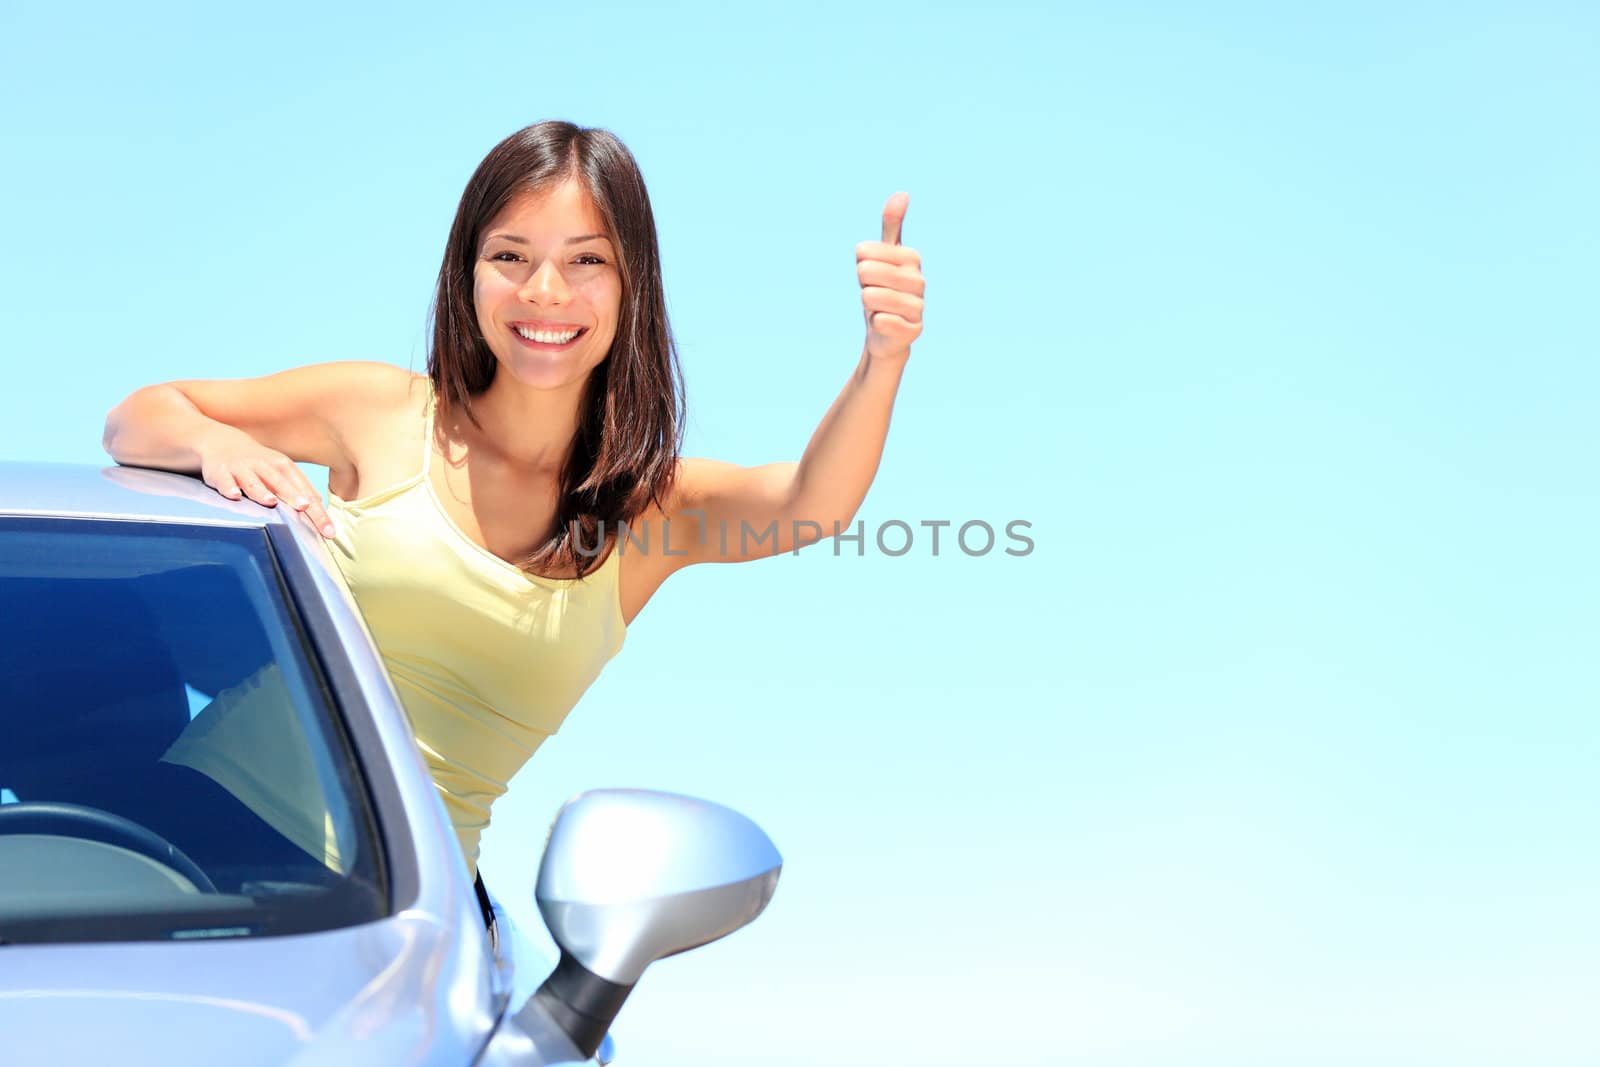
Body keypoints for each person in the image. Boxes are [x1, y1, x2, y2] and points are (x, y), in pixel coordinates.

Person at [102, 120, 925, 924]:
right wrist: (211, 442)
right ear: (469, 272)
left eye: (585, 261)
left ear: (632, 282)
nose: (544, 292)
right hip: (180, 850)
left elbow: (811, 506)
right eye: (510, 256)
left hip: (400, 918)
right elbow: (139, 416)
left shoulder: (648, 513)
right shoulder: (381, 411)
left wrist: (881, 358)